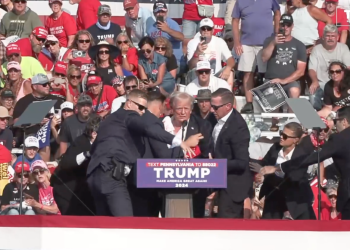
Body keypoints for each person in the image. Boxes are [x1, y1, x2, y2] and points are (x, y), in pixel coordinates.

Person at [86, 89, 203, 216]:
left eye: (144, 108)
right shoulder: (130, 115)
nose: (143, 112)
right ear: (129, 103)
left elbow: (94, 148)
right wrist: (179, 142)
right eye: (141, 107)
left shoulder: (110, 119)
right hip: (111, 175)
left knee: (104, 224)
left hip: (94, 176)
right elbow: (148, 128)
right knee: (126, 224)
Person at [260, 106, 350, 220]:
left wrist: (279, 167)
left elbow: (314, 157)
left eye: (336, 121)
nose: (335, 125)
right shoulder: (276, 148)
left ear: (345, 121)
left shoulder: (339, 139)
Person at [252, 122, 316, 220]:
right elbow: (265, 163)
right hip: (273, 196)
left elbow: (295, 176)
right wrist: (261, 174)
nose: (281, 137)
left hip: (295, 200)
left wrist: (272, 172)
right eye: (281, 133)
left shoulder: (301, 154)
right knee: (269, 228)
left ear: (296, 140)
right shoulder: (276, 147)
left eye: (285, 136)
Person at [210, 88, 251, 218]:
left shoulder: (238, 127)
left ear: (228, 106)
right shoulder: (216, 118)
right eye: (212, 106)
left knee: (226, 227)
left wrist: (216, 164)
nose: (212, 110)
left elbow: (241, 162)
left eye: (215, 107)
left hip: (232, 186)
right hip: (217, 182)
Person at [51, 116, 101, 215]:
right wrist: (86, 154)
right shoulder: (80, 142)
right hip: (64, 190)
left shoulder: (99, 146)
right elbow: (66, 163)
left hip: (81, 191)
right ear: (94, 134)